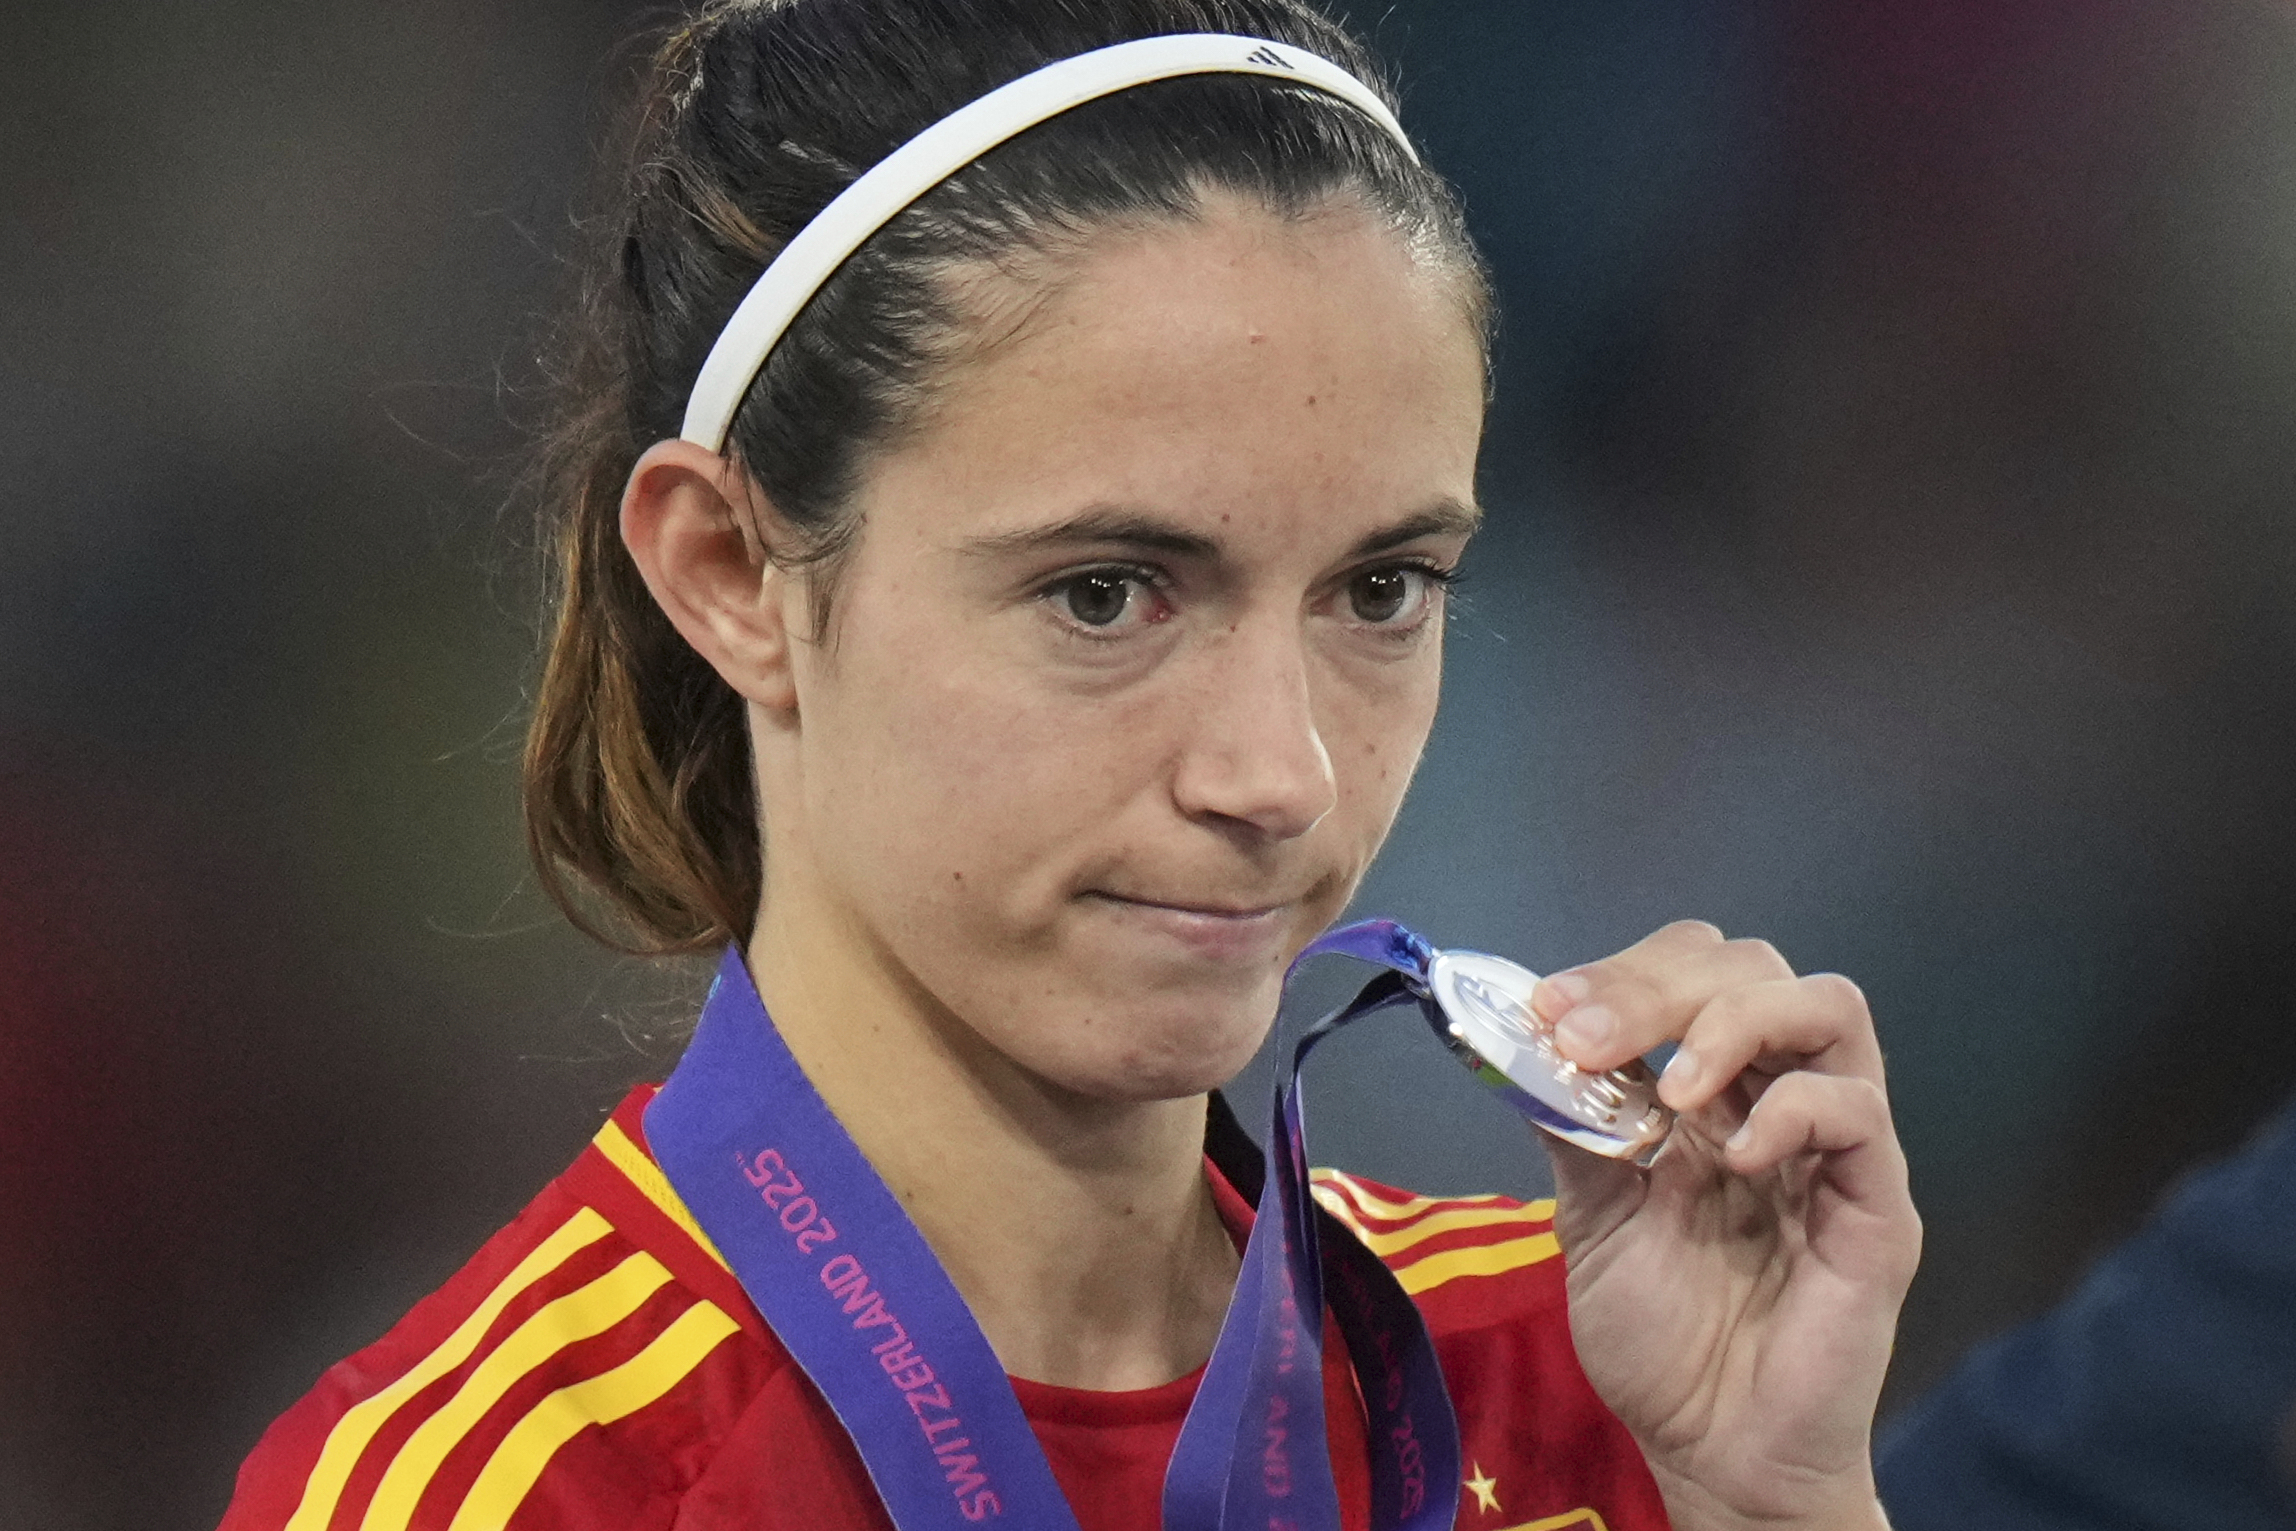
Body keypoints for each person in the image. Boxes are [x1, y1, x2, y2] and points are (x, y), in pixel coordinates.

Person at [219, 2, 1921, 1528]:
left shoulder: (1598, 1369)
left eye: (1381, 591)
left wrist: (1778, 1507)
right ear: (730, 573)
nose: (1284, 773)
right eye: (1107, 593)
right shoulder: (497, 1490)